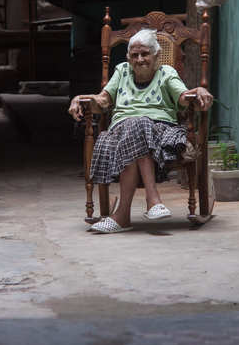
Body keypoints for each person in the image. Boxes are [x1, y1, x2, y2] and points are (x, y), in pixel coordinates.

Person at [68, 29, 213, 233]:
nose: (139, 59)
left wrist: (199, 91)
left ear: (156, 56)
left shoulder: (166, 73)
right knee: (134, 125)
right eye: (134, 55)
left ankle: (122, 216)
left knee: (138, 124)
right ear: (128, 57)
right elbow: (102, 100)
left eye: (145, 54)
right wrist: (79, 98)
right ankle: (152, 201)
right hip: (119, 133)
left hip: (160, 132)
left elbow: (183, 97)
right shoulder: (121, 71)